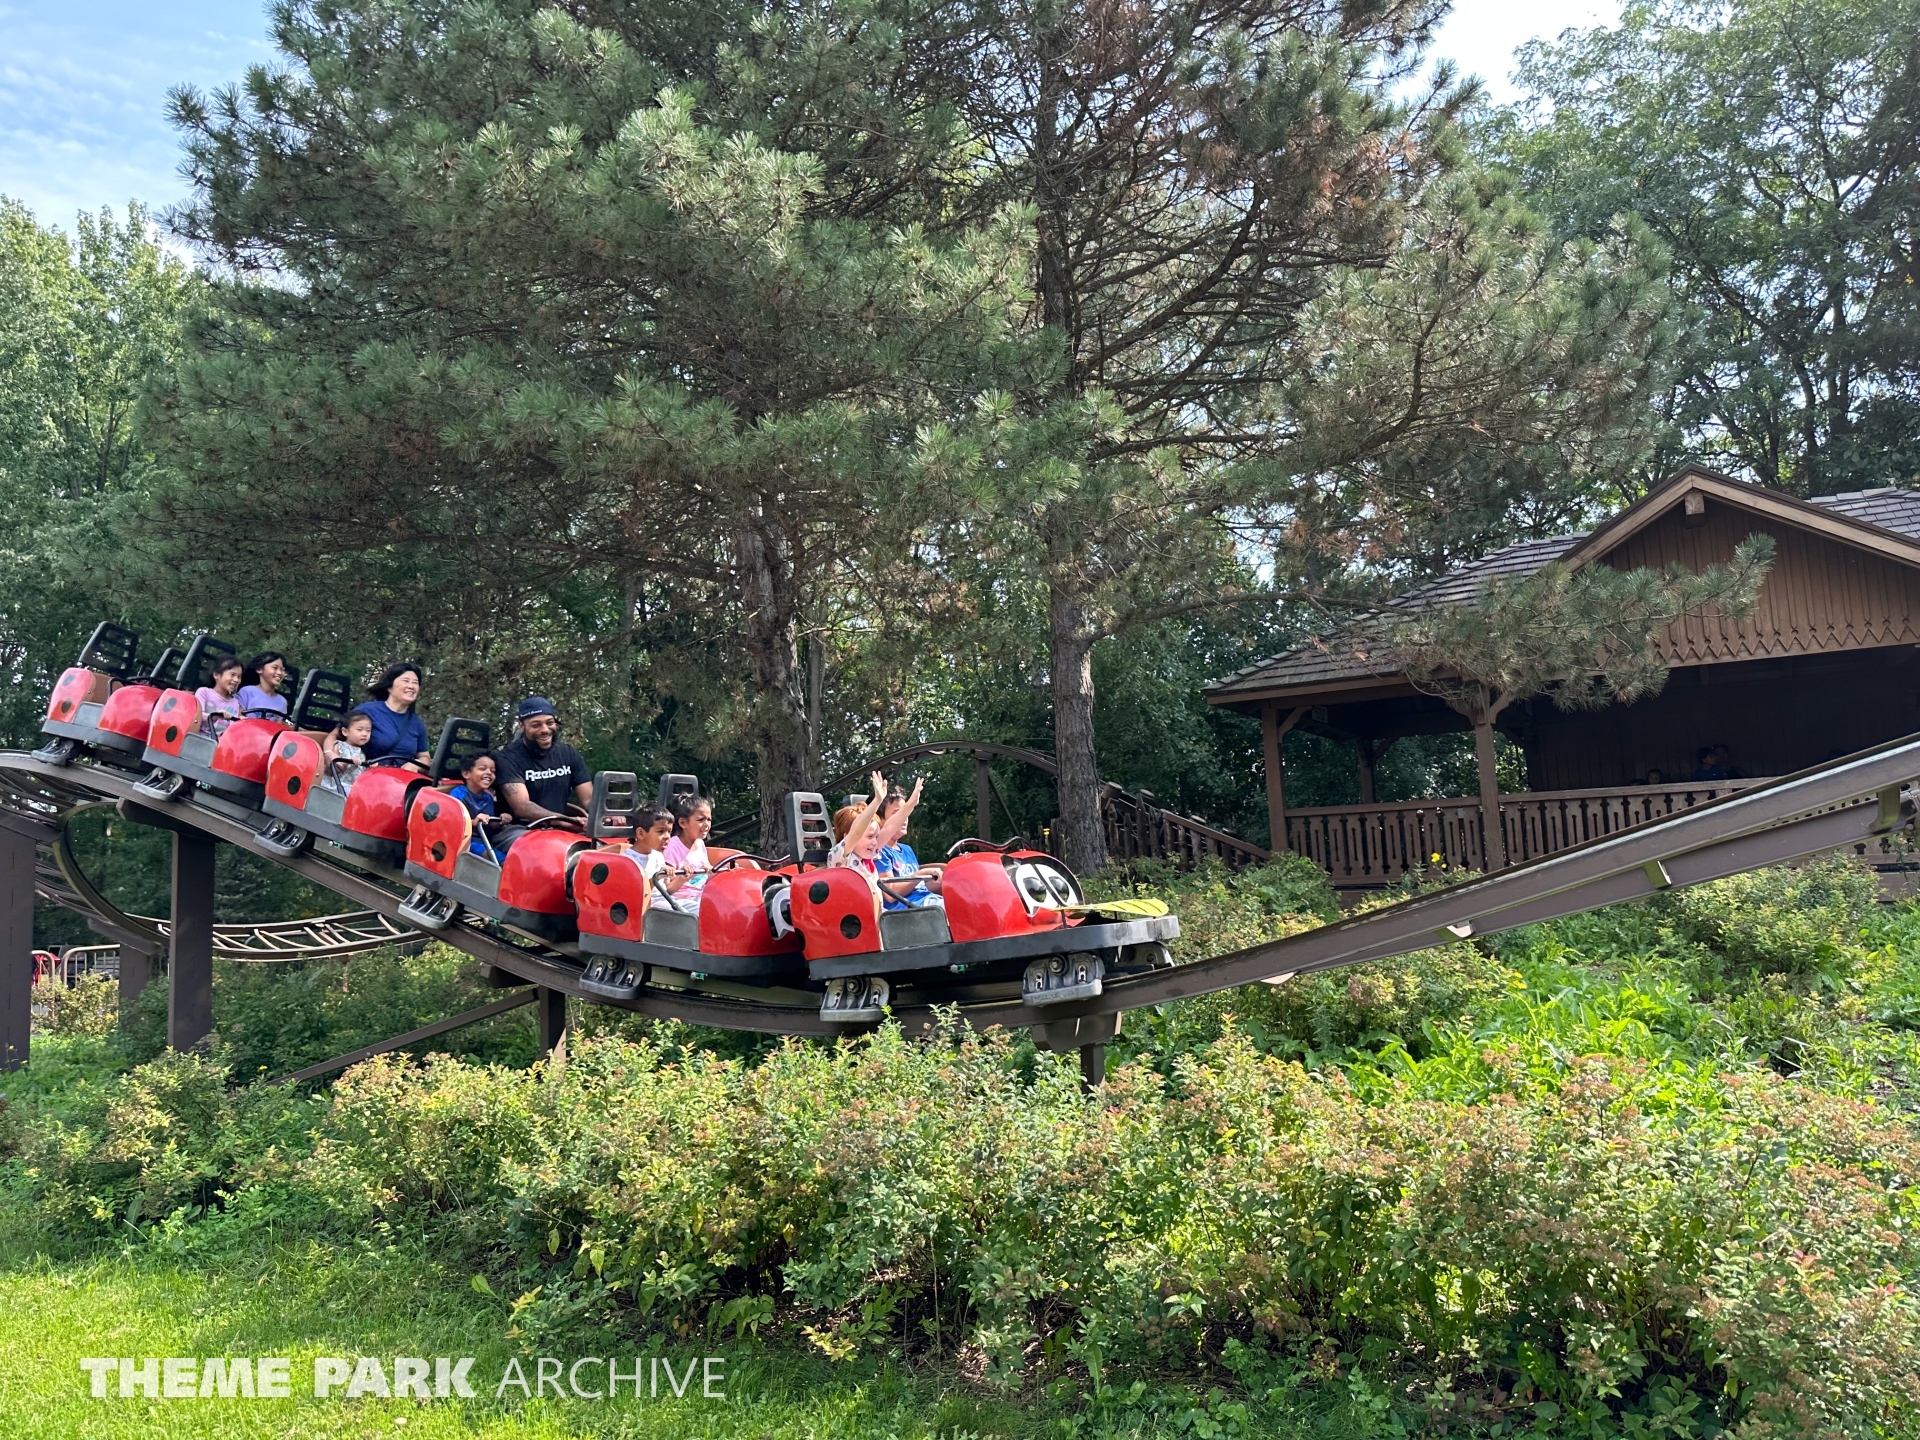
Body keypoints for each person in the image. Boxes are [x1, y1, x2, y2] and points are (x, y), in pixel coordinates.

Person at [493, 695, 594, 852]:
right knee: (549, 851)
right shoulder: (507, 758)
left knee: (600, 848)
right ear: (521, 726)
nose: (545, 730)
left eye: (550, 722)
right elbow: (522, 806)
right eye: (536, 725)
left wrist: (607, 815)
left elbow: (589, 799)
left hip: (561, 829)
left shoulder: (568, 753)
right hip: (517, 829)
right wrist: (564, 820)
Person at [874, 776, 943, 909]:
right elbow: (890, 893)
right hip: (906, 910)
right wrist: (920, 874)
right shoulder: (879, 852)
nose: (904, 818)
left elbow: (920, 886)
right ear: (879, 819)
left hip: (927, 901)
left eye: (905, 813)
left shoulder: (906, 849)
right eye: (897, 814)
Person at [350, 662, 431, 769]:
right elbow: (336, 735)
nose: (411, 686)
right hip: (365, 773)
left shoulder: (416, 723)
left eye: (415, 683)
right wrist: (330, 754)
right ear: (389, 686)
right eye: (406, 681)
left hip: (399, 777)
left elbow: (425, 757)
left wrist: (416, 764)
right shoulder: (367, 710)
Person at [631, 802, 698, 910]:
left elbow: (667, 890)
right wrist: (656, 878)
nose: (667, 837)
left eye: (669, 832)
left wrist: (681, 877)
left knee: (703, 909)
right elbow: (635, 897)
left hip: (666, 900)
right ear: (640, 833)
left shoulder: (658, 855)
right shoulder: (629, 861)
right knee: (684, 915)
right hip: (648, 907)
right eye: (661, 831)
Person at [448, 753, 507, 858]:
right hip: (464, 841)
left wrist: (501, 821)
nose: (489, 773)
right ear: (466, 774)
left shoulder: (488, 797)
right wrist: (473, 822)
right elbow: (452, 823)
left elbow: (489, 824)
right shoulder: (458, 794)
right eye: (482, 769)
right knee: (496, 858)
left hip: (483, 840)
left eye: (493, 771)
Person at [322, 709, 373, 791]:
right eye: (359, 729)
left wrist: (369, 767)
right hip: (337, 786)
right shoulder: (339, 746)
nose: (365, 734)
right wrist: (347, 762)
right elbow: (330, 769)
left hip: (353, 787)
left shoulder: (361, 752)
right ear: (345, 732)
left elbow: (360, 772)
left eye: (368, 730)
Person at [195, 656, 244, 736]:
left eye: (239, 676)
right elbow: (197, 717)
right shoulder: (204, 692)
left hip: (221, 742)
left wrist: (241, 722)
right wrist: (216, 715)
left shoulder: (235, 703)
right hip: (198, 739)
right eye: (232, 675)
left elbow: (231, 729)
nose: (236, 680)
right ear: (216, 675)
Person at [236, 652, 290, 718]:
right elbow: (238, 717)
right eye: (275, 668)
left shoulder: (282, 701)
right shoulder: (246, 692)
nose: (279, 673)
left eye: (282, 670)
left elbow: (279, 724)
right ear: (259, 669)